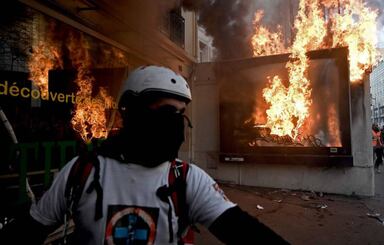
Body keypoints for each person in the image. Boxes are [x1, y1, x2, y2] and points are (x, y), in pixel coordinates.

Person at [0, 66, 290, 244]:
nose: (175, 122)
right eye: (166, 112)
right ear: (132, 113)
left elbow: (243, 232)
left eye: (180, 114)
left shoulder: (188, 180)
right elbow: (30, 229)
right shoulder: (82, 172)